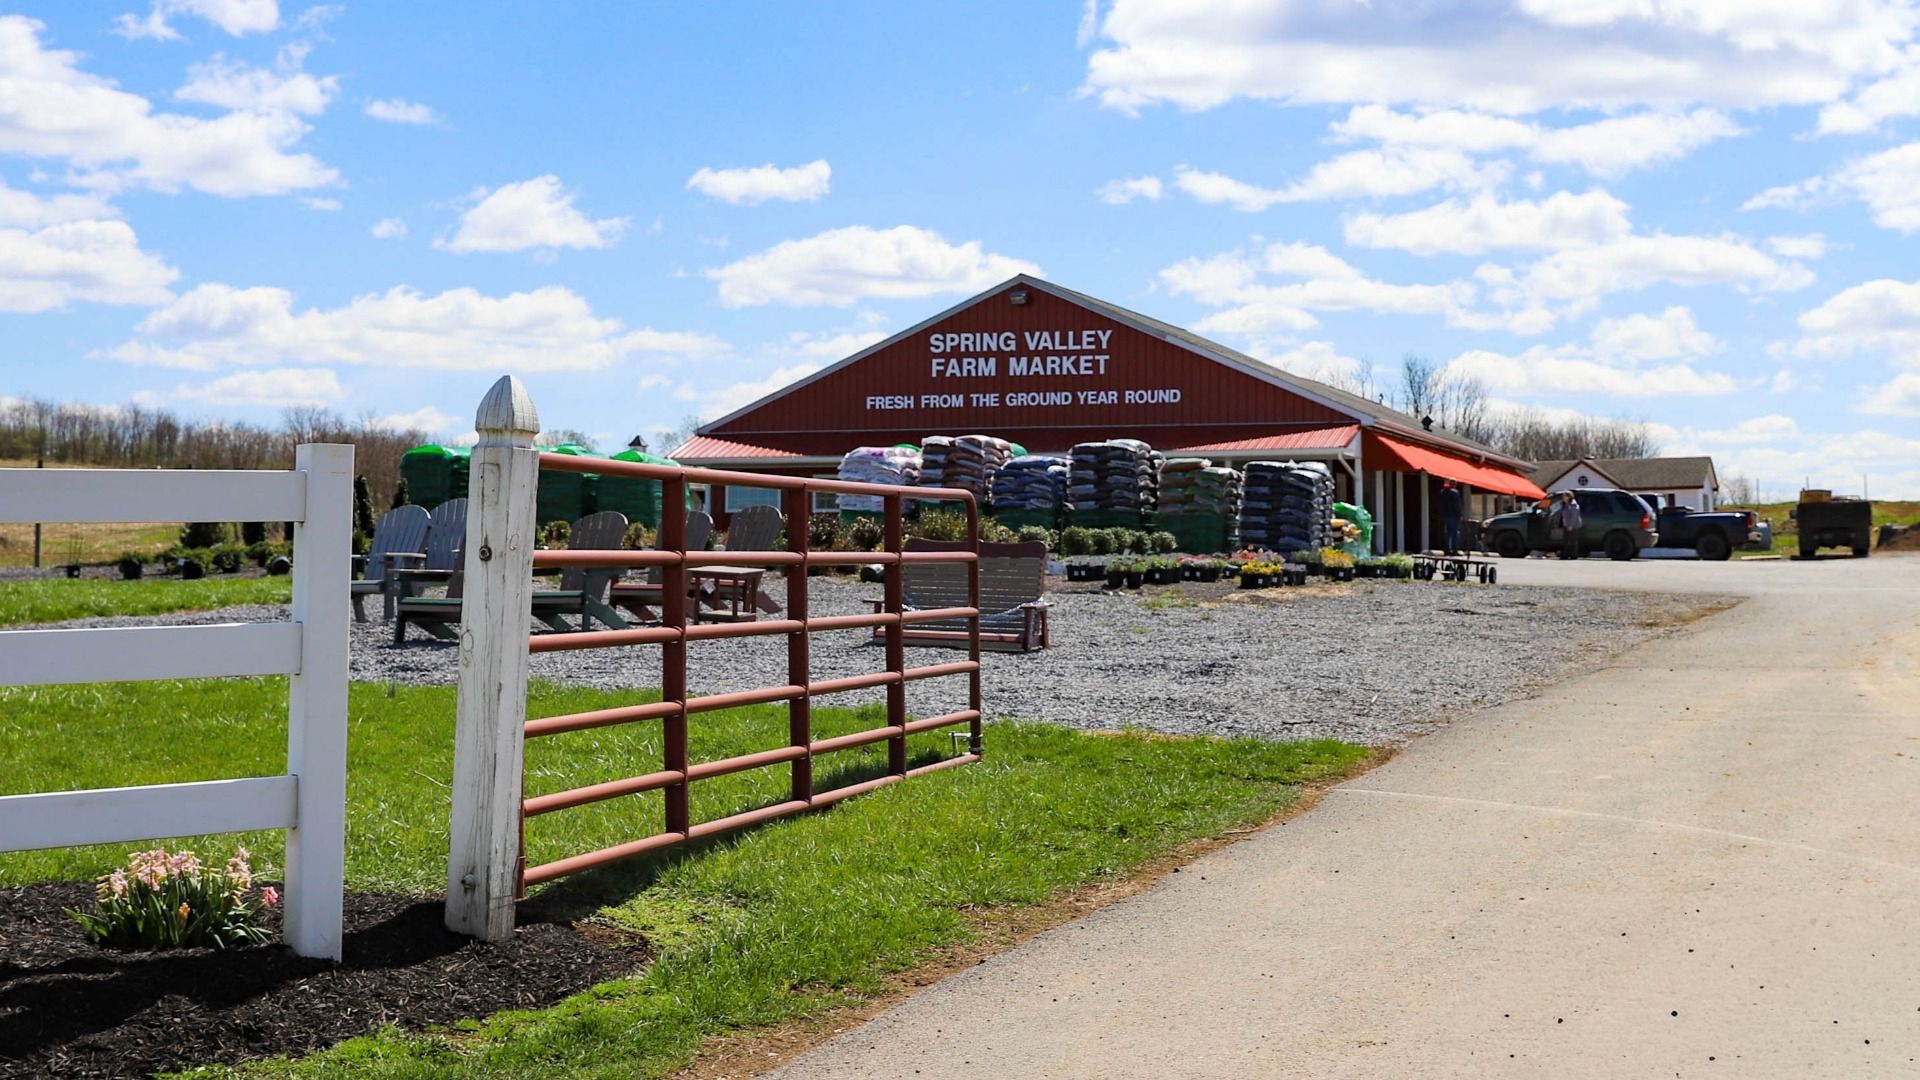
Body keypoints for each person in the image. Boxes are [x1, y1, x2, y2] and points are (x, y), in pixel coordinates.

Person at [1551, 491, 1583, 559]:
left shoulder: (1574, 505)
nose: (1563, 498)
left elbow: (1574, 516)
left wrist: (1571, 525)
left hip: (1573, 525)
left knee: (1573, 540)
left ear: (1568, 497)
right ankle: (1565, 554)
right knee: (1566, 540)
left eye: (1564, 496)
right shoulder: (1565, 504)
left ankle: (1573, 555)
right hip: (1566, 524)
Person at [1439, 480, 1463, 554]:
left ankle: (1446, 549)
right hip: (1453, 515)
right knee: (1455, 533)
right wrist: (1459, 515)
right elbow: (1457, 506)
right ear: (1455, 484)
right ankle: (1454, 550)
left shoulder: (1442, 492)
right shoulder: (1455, 492)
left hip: (1445, 515)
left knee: (1447, 532)